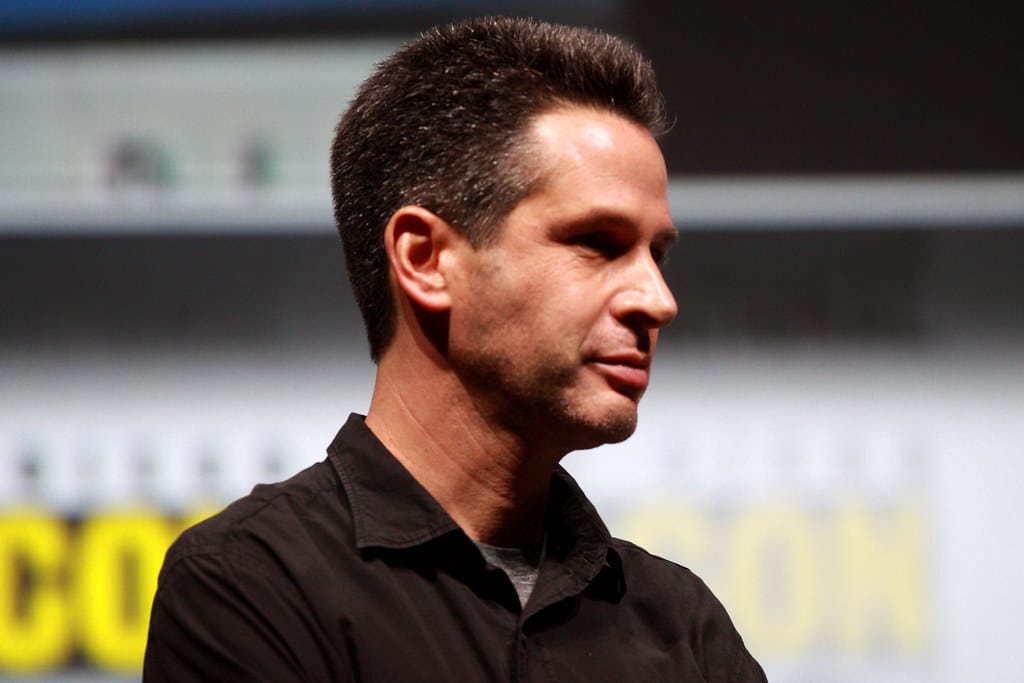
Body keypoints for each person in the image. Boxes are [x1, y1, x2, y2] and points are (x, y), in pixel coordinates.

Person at [143, 16, 767, 682]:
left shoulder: (683, 625)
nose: (658, 299)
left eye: (657, 253)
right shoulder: (251, 587)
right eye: (598, 242)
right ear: (425, 259)